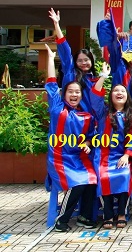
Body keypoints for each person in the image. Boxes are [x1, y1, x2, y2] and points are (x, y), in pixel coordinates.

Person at [45, 44, 98, 232]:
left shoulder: (87, 117)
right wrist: (50, 58)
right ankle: (61, 220)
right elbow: (51, 83)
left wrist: (87, 143)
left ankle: (84, 216)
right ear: (64, 94)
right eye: (71, 91)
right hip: (59, 158)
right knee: (78, 182)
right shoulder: (57, 107)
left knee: (92, 179)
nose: (74, 94)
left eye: (77, 92)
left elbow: (92, 137)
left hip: (78, 157)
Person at [91, 82, 132, 229]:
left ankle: (121, 213)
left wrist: (127, 155)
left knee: (125, 175)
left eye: (122, 91)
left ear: (127, 96)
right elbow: (95, 96)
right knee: (103, 177)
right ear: (111, 96)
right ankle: (107, 214)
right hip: (103, 156)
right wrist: (103, 77)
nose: (119, 93)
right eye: (116, 91)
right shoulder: (103, 112)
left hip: (123, 155)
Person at [49, 8, 97, 112]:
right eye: (80, 60)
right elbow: (66, 52)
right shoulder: (70, 74)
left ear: (91, 61)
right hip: (70, 116)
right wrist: (56, 25)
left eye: (86, 60)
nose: (83, 63)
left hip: (88, 119)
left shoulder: (95, 79)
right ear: (75, 62)